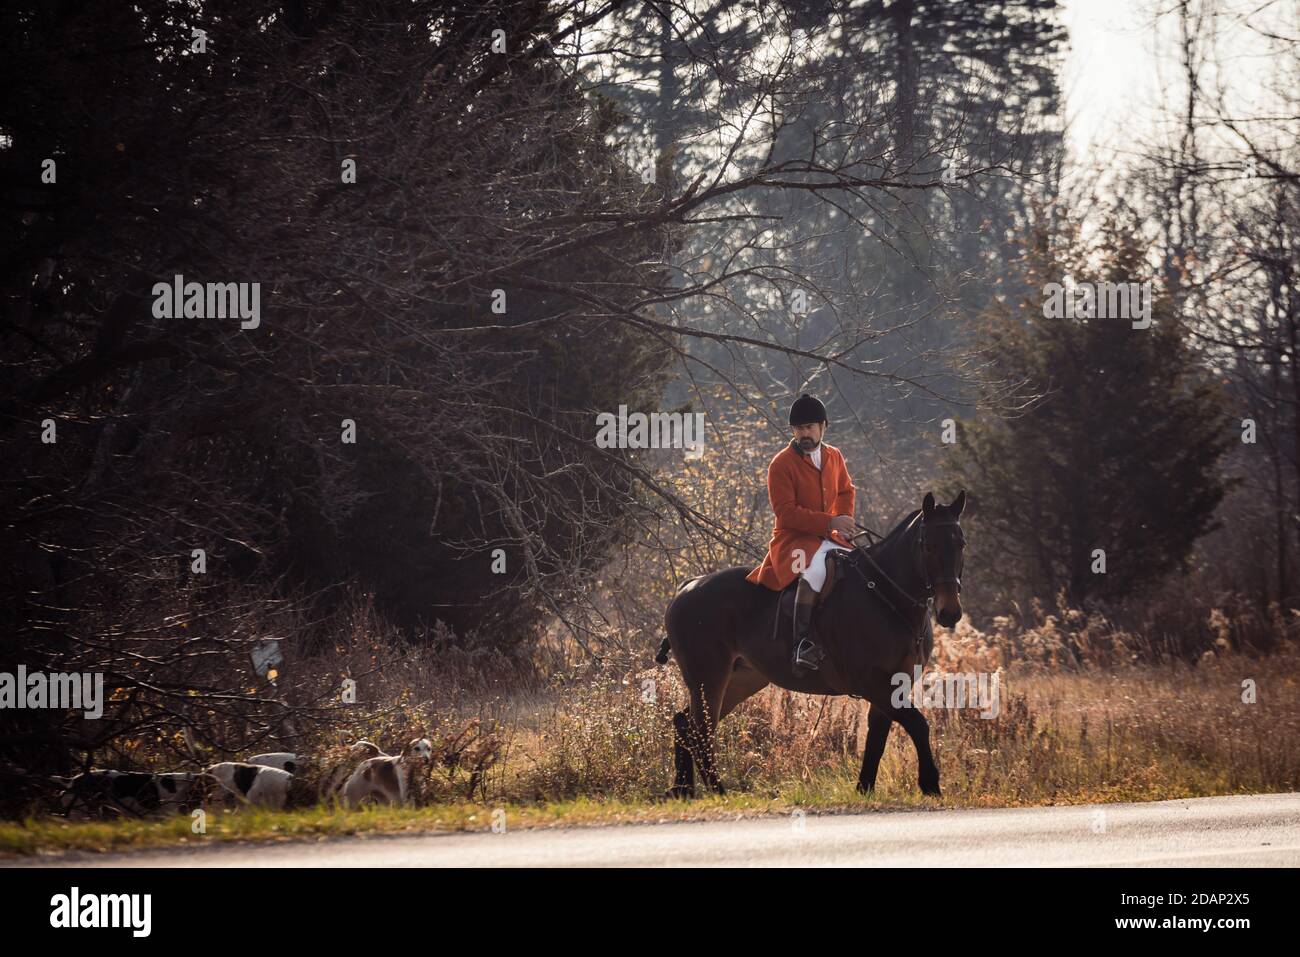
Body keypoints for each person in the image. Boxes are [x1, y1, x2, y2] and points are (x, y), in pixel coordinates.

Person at [746, 394, 856, 673]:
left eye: (809, 427)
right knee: (816, 570)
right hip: (793, 541)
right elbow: (786, 513)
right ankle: (801, 644)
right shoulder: (781, 464)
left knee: (859, 569)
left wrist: (844, 522)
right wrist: (831, 521)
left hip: (830, 537)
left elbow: (846, 490)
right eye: (798, 429)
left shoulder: (835, 456)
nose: (804, 434)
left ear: (823, 427)